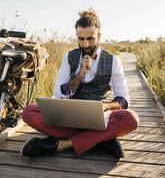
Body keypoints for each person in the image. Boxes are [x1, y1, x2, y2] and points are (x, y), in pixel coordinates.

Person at [20, 10, 139, 158]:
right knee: (29, 112)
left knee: (131, 119)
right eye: (81, 39)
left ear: (99, 36)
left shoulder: (113, 60)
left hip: (101, 118)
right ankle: (101, 139)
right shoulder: (69, 57)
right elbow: (59, 93)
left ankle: (61, 144)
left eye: (90, 38)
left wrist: (106, 106)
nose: (86, 44)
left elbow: (124, 99)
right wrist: (81, 74)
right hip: (70, 117)